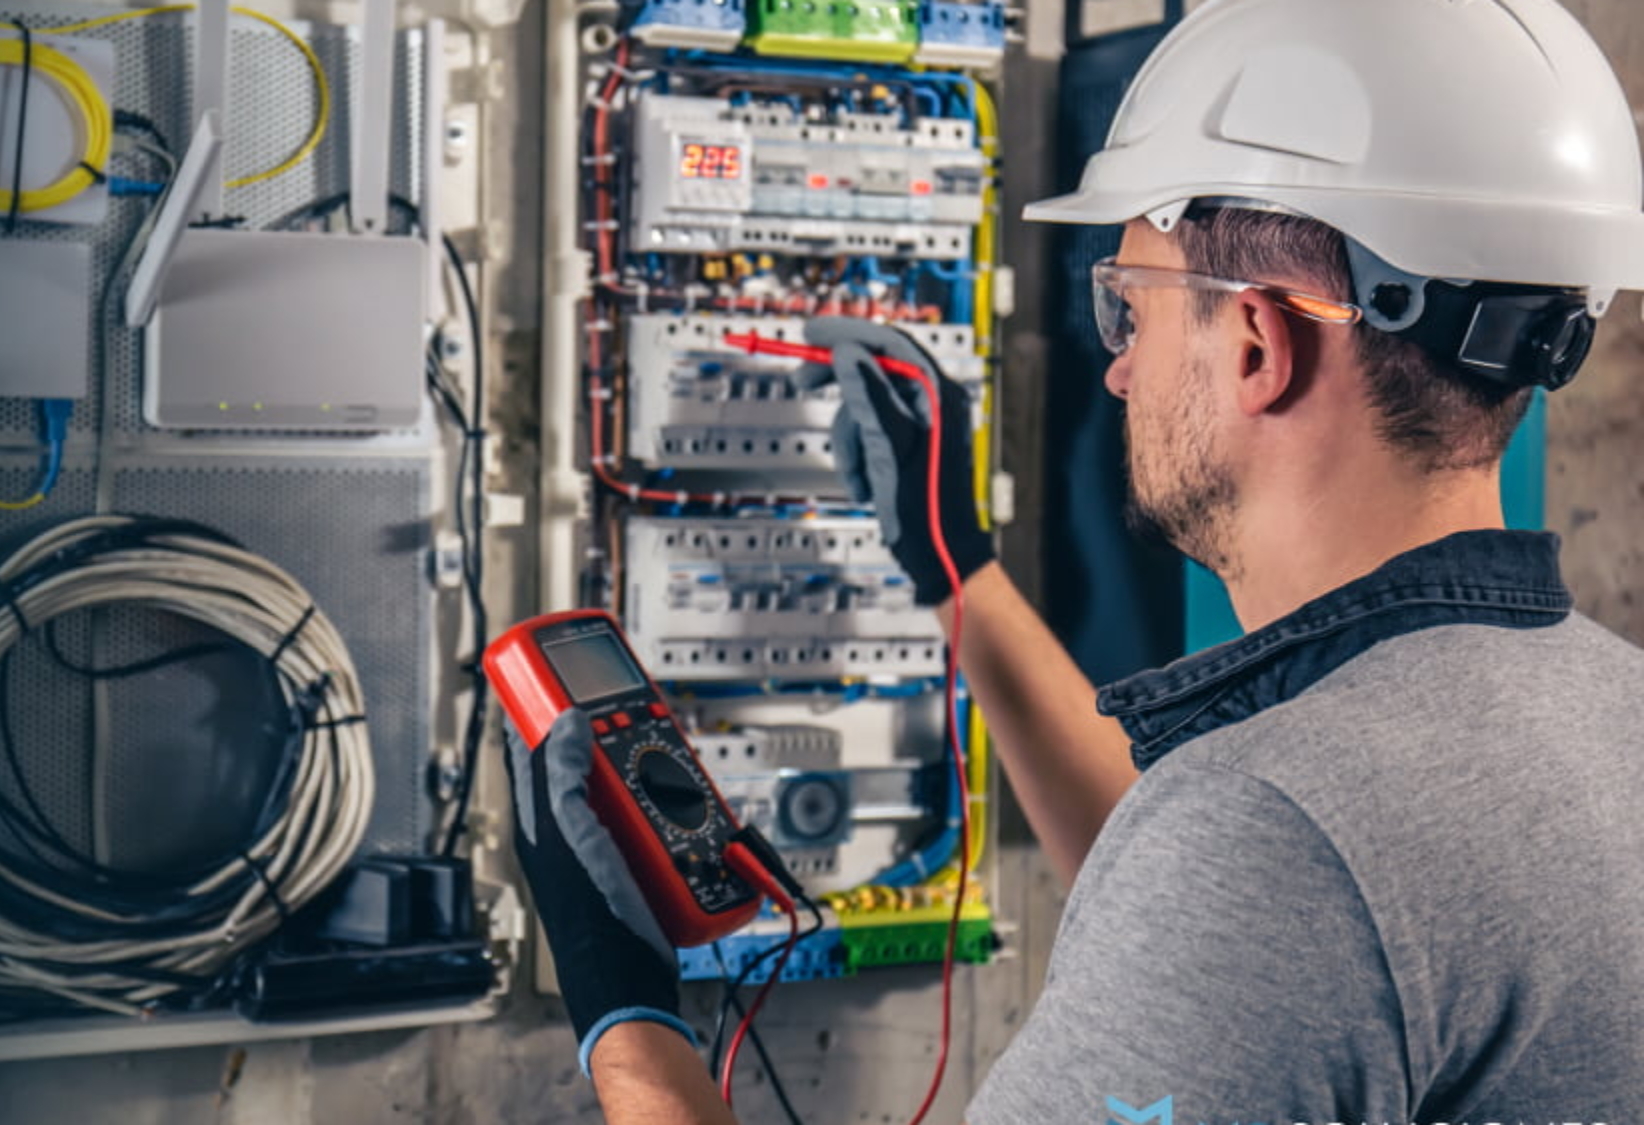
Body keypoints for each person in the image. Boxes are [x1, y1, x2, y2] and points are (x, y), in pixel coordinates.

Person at [505, 0, 1644, 1120]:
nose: (1117, 373)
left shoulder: (1275, 842)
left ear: (1256, 343)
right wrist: (956, 573)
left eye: (1130, 309)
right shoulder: (1605, 720)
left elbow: (1266, 901)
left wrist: (623, 1008)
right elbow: (1271, 961)